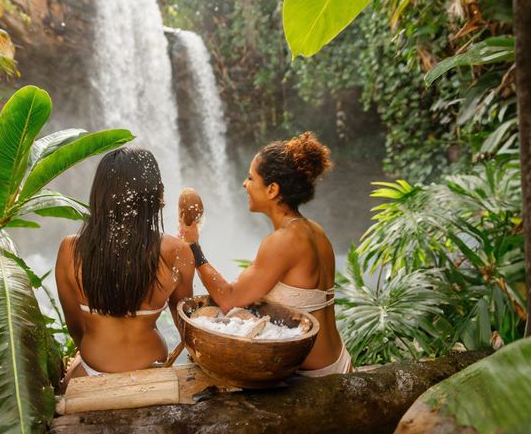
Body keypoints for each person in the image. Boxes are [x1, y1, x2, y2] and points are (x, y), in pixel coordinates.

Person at [181, 132, 353, 377]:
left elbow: (229, 298)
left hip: (315, 378)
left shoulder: (284, 240)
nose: (244, 184)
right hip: (337, 361)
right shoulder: (315, 231)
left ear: (272, 189)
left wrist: (193, 246)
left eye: (251, 177)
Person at [55, 147, 195, 379]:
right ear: (155, 195)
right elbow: (187, 326)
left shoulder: (70, 250)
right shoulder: (176, 252)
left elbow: (76, 327)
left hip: (94, 369)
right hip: (153, 366)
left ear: (99, 195)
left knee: (71, 374)